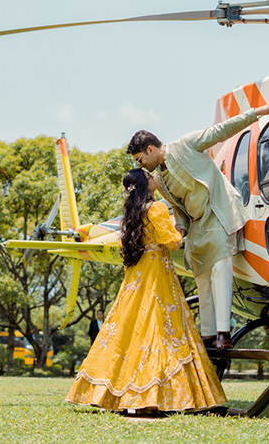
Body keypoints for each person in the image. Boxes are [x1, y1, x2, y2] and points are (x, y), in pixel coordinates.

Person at [65, 168, 226, 413]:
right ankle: (151, 398)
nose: (154, 179)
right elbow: (172, 242)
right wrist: (182, 230)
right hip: (157, 273)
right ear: (144, 184)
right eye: (150, 177)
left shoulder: (131, 212)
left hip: (136, 274)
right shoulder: (157, 209)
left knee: (126, 328)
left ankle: (113, 394)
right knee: (158, 328)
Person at [128, 102, 269, 350]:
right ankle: (208, 334)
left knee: (221, 268)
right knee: (202, 279)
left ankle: (224, 333)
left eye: (140, 159)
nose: (140, 165)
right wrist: (182, 229)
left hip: (219, 212)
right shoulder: (158, 180)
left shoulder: (186, 144)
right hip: (198, 227)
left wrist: (256, 114)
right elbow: (179, 209)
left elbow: (221, 130)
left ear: (150, 148)